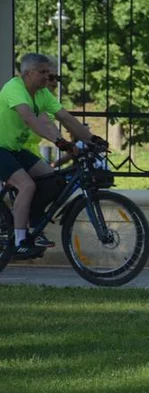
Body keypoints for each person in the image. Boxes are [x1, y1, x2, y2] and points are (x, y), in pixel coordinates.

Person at [0, 53, 99, 260]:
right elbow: (29, 119)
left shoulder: (42, 94)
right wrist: (60, 142)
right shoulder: (14, 88)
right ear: (28, 73)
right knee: (26, 185)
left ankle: (35, 223)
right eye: (43, 72)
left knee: (52, 179)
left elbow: (66, 118)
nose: (48, 77)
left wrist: (92, 139)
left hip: (14, 149)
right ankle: (20, 241)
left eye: (48, 72)